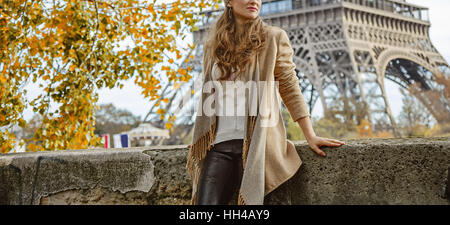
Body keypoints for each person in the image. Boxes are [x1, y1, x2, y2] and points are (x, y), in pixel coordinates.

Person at [187, 0, 345, 205]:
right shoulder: (214, 44)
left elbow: (289, 86)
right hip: (218, 145)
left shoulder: (274, 37)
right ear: (229, 2)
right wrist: (202, 133)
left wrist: (310, 135)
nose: (254, 1)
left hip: (257, 144)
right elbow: (209, 96)